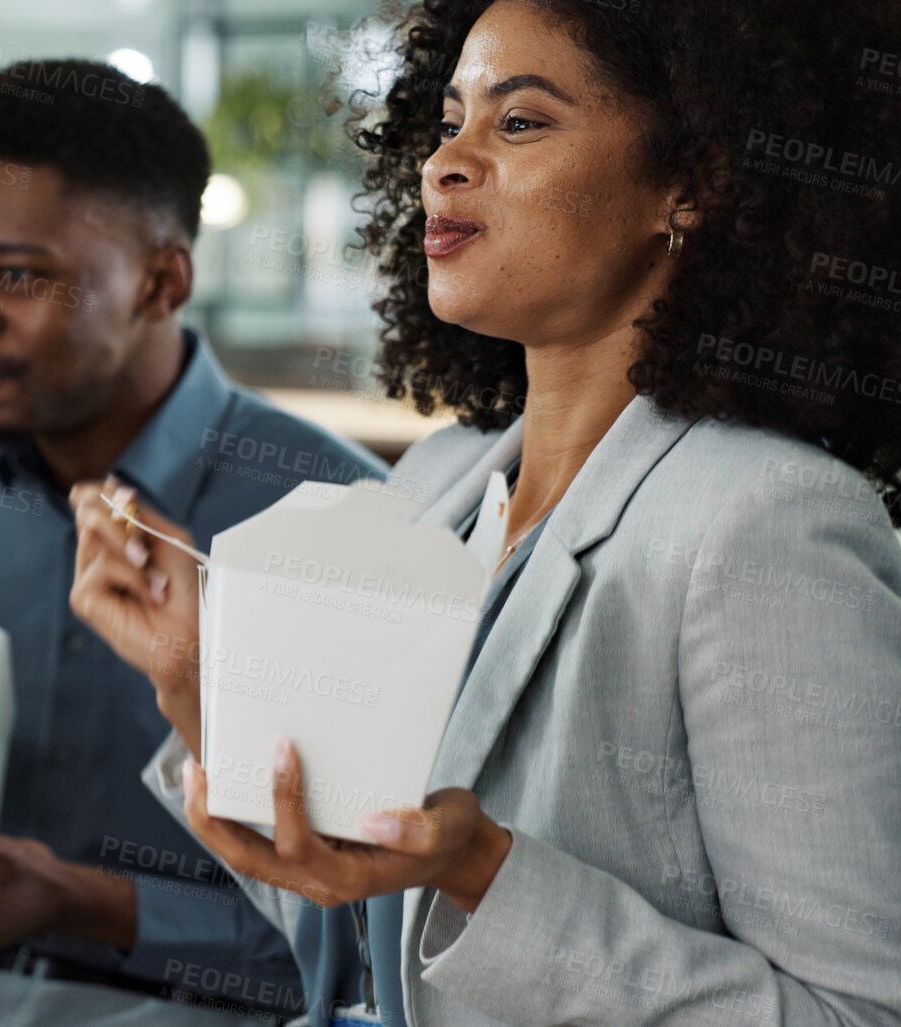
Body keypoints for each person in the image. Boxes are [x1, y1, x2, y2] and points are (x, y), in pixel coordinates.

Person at [70, 1, 901, 1024]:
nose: (446, 162)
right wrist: (201, 680)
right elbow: (362, 953)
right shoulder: (436, 485)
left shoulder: (765, 526)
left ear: (694, 180)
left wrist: (490, 875)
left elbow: (858, 1014)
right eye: (450, 118)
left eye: (519, 122)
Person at [0, 59, 388, 1027]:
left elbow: (366, 943)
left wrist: (85, 904)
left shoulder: (338, 518)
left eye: (17, 276)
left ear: (162, 280)